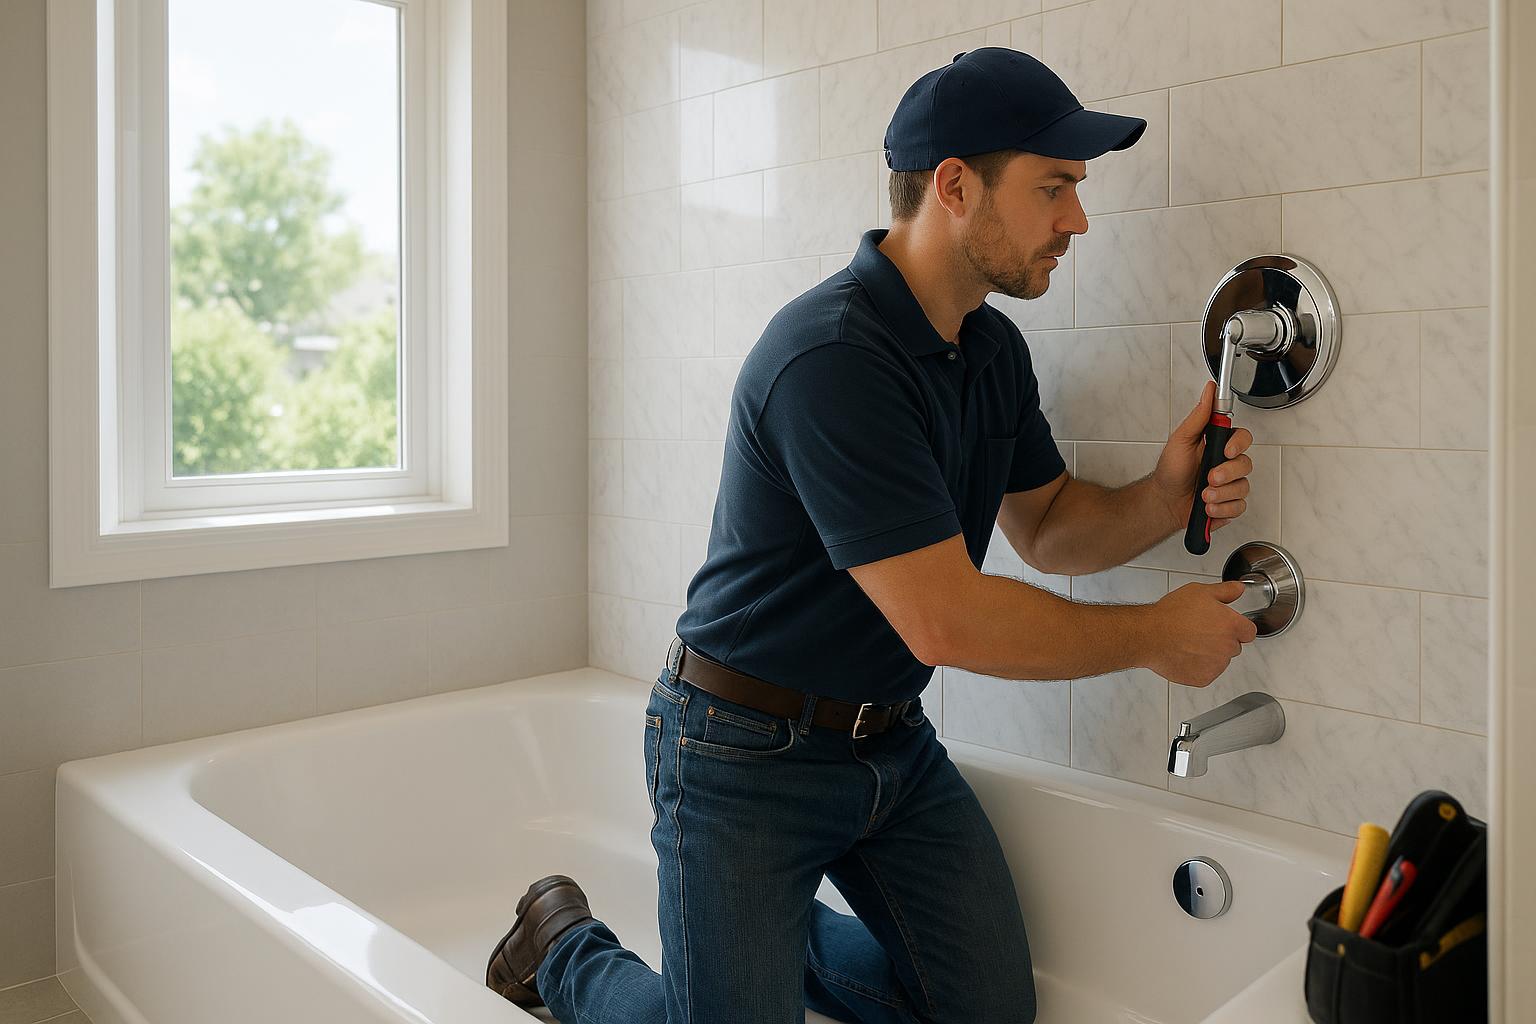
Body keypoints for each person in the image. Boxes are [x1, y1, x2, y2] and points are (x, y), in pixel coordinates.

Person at [485, 47, 1259, 1024]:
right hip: (740, 750)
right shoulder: (831, 357)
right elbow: (944, 620)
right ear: (955, 187)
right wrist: (1152, 634)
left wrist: (1161, 490)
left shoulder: (988, 348)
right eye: (1054, 186)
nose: (1078, 219)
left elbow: (1052, 524)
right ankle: (566, 947)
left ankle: (758, 936)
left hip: (889, 746)